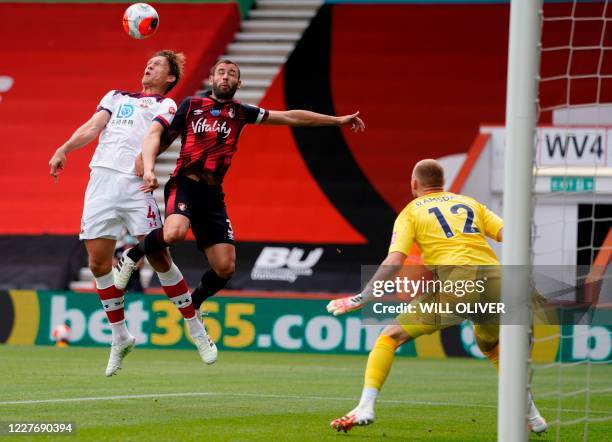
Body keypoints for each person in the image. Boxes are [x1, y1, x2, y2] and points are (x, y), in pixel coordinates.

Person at [114, 58, 365, 321]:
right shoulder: (191, 105)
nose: (225, 77)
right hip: (185, 184)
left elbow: (290, 116)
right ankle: (133, 253)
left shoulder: (242, 112)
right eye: (220, 73)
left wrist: (338, 121)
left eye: (231, 74)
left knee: (225, 268)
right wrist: (148, 161)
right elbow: (163, 138)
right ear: (211, 79)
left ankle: (194, 304)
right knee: (175, 233)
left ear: (238, 83)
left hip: (212, 195)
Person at [326, 159, 548, 434]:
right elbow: (514, 235)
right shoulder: (470, 204)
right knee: (490, 345)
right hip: (497, 282)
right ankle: (533, 416)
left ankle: (365, 406)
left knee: (390, 336)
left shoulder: (410, 213)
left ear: (414, 184)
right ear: (443, 183)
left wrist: (361, 297)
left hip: (459, 281)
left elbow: (395, 260)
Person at [48, 50, 216, 377]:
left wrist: (147, 161)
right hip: (101, 180)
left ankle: (196, 329)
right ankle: (120, 336)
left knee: (160, 258)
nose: (148, 66)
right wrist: (64, 147)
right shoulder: (115, 96)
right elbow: (93, 126)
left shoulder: (166, 105)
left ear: (169, 78)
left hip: (135, 185)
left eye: (157, 65)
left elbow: (158, 136)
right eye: (148, 62)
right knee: (98, 263)